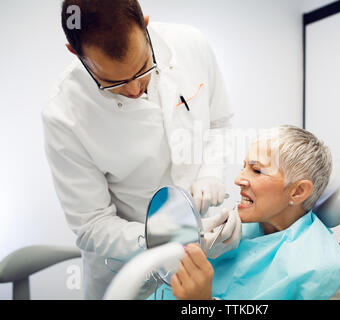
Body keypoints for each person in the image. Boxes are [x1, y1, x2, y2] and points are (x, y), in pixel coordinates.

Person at [42, 0, 240, 299]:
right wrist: (169, 236)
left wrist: (211, 172)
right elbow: (92, 225)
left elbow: (219, 121)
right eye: (113, 83)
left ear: (145, 24)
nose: (135, 89)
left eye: (142, 68)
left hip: (197, 265)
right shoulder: (64, 115)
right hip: (126, 273)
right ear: (75, 53)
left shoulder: (191, 45)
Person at [151, 125, 340, 300]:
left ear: (297, 191)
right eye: (244, 167)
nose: (238, 179)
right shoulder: (233, 232)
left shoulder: (327, 272)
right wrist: (187, 243)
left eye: (257, 170)